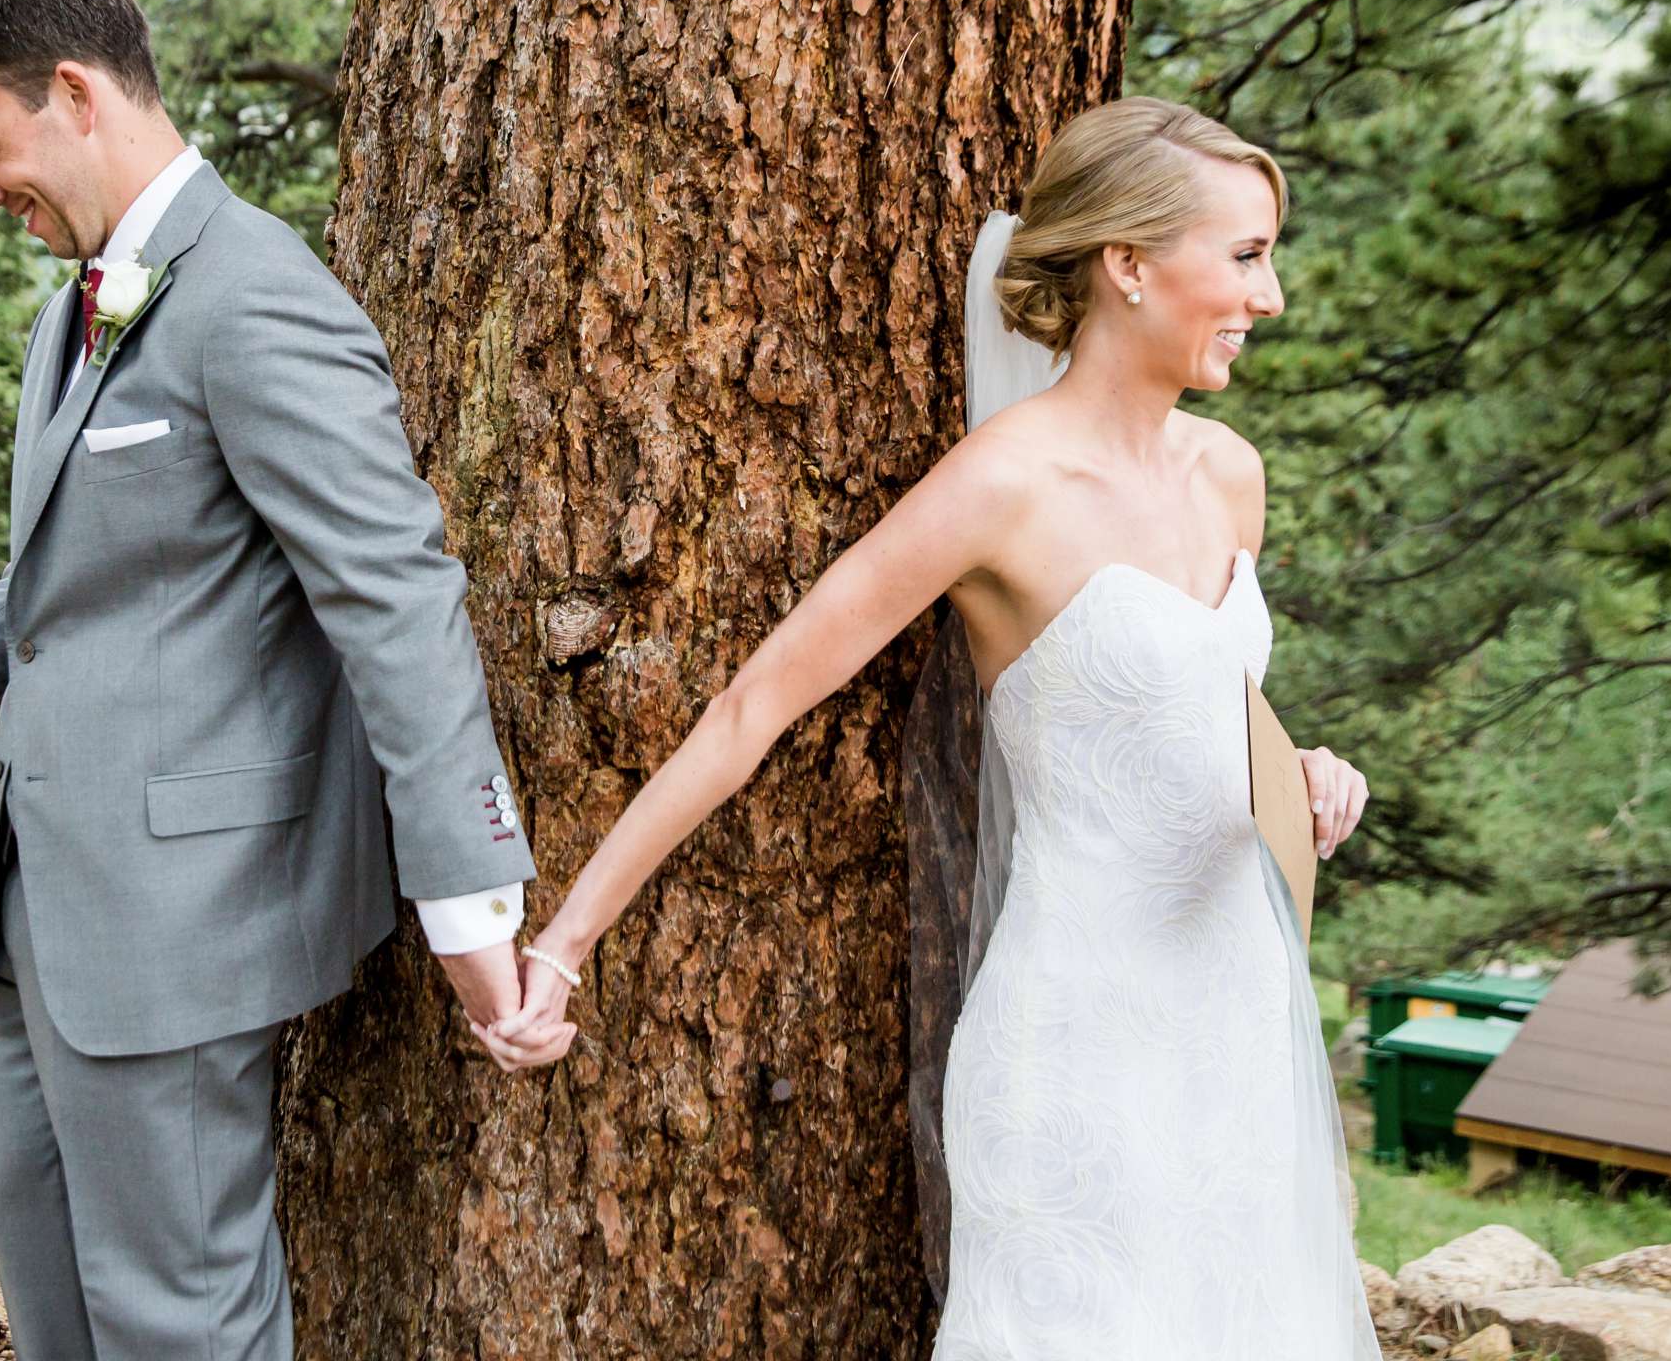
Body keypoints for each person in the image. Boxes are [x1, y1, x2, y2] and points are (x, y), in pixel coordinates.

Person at [0, 0, 564, 1360]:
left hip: (181, 932)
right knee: (57, 1307)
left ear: (73, 92)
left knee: (182, 1329)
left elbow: (395, 596)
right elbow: (78, 595)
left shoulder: (257, 296)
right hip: (38, 927)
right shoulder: (78, 309)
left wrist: (473, 906)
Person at [480, 97, 1381, 1355]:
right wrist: (563, 944)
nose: (1270, 295)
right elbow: (753, 707)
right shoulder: (1001, 489)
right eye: (1244, 256)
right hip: (1075, 1051)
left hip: (1235, 1032)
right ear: (1127, 264)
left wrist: (1307, 771)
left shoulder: (1232, 475)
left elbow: (1205, 709)